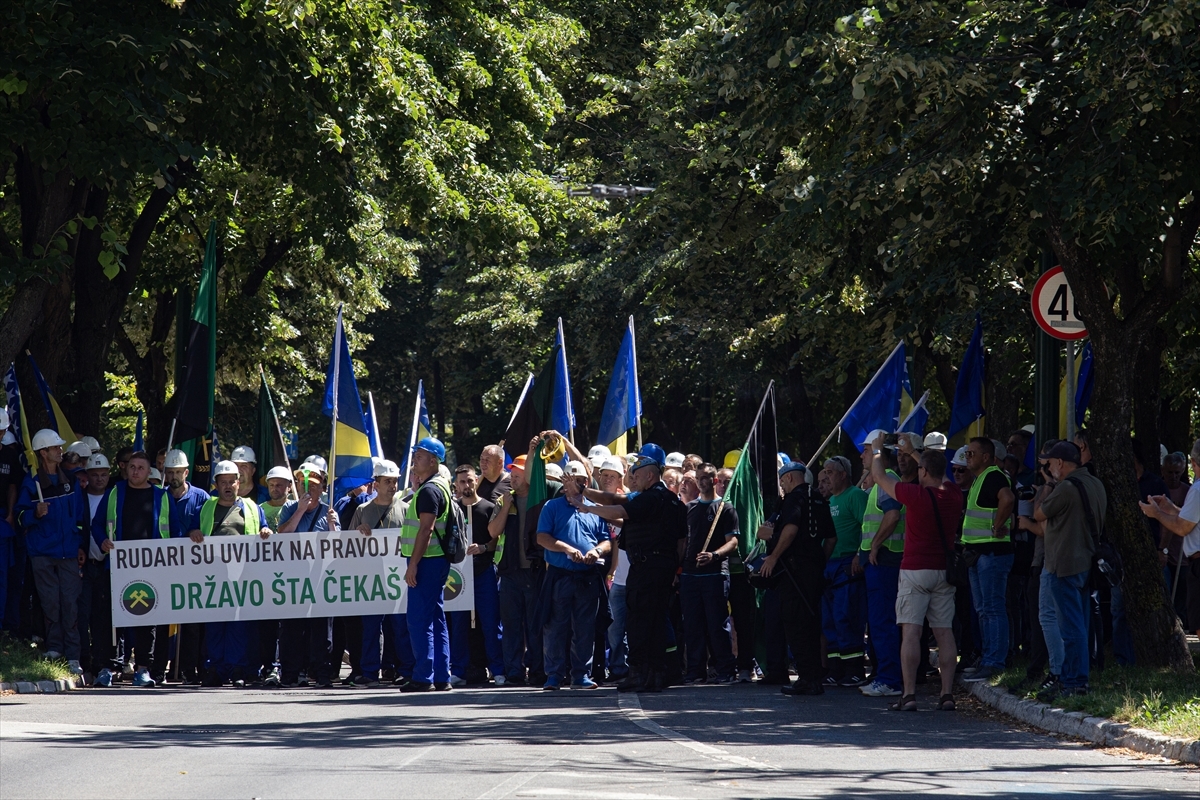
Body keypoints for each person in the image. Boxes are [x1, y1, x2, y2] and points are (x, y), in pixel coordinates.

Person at [573, 444, 686, 693]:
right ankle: (654, 673)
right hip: (661, 567)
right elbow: (681, 542)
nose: (633, 479)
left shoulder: (651, 498)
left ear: (650, 474)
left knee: (639, 621)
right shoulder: (671, 502)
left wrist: (588, 506)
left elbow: (619, 506)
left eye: (637, 474)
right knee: (655, 620)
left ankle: (639, 673)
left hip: (646, 566)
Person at [869, 433, 963, 711]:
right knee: (944, 633)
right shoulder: (953, 494)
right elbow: (936, 471)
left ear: (922, 471)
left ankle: (909, 694)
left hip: (914, 569)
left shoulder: (914, 495)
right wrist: (913, 452)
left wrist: (877, 451)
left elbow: (880, 477)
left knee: (911, 632)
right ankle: (946, 694)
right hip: (943, 572)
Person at [183, 460, 272, 687]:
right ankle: (215, 669)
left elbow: (264, 529)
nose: (228, 486)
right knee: (215, 623)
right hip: (212, 574)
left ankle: (237, 668)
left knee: (238, 624)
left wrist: (265, 530)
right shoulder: (206, 507)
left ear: (238, 482)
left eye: (232, 481)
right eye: (224, 482)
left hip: (243, 573)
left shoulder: (252, 507)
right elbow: (192, 530)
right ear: (216, 484)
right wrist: (193, 531)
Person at [92, 451, 173, 686]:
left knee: (147, 619)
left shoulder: (161, 497)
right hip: (117, 566)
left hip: (151, 567)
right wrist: (102, 542)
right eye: (132, 467)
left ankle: (143, 669)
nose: (135, 471)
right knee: (111, 617)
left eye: (140, 467)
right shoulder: (115, 493)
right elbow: (97, 526)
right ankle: (108, 668)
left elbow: (174, 531)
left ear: (149, 472)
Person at [758, 460, 835, 696]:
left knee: (795, 623)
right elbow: (831, 538)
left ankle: (807, 678)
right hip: (812, 571)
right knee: (811, 623)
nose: (782, 486)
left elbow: (790, 530)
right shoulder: (820, 499)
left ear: (789, 478)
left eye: (782, 481)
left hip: (793, 572)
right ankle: (813, 675)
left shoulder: (793, 499)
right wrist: (819, 560)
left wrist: (773, 556)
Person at [1034, 441, 1104, 698]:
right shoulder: (1095, 483)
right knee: (1080, 625)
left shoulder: (1064, 487)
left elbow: (1039, 513)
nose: (1047, 468)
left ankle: (1074, 682)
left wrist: (1049, 485)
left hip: (1063, 565)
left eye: (1049, 464)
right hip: (1085, 563)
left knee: (1070, 628)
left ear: (1060, 463)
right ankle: (1076, 679)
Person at [15, 429, 86, 676]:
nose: (60, 450)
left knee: (70, 603)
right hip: (42, 554)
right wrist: (35, 513)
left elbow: (79, 518)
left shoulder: (71, 481)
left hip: (67, 554)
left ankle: (74, 656)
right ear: (43, 453)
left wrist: (80, 546)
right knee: (49, 603)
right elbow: (20, 517)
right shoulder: (32, 483)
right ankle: (55, 649)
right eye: (55, 448)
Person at [537, 460, 610, 689]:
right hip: (561, 576)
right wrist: (566, 548)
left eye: (580, 481)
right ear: (563, 481)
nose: (576, 485)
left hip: (587, 576)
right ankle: (554, 675)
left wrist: (596, 551)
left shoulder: (593, 508)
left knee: (585, 627)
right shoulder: (552, 506)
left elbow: (606, 540)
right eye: (571, 480)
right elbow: (542, 537)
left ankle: (581, 675)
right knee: (556, 626)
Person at [277, 459, 340, 688]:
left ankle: (322, 674)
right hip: (294, 580)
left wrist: (333, 528)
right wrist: (300, 511)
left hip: (321, 580)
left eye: (313, 486)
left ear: (322, 487)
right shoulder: (289, 508)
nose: (308, 490)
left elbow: (339, 548)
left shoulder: (329, 512)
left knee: (322, 632)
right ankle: (290, 675)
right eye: (303, 485)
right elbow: (282, 535)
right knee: (292, 630)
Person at [352, 459, 415, 688]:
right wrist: (359, 531)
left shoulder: (406, 510)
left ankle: (406, 669)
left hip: (398, 578)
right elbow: (347, 546)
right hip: (371, 579)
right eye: (387, 481)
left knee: (400, 627)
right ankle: (369, 672)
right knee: (370, 628)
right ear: (375, 484)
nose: (392, 485)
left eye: (395, 481)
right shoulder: (362, 511)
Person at [399, 436, 455, 692]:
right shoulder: (438, 486)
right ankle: (441, 675)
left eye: (419, 456)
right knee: (435, 617)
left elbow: (425, 530)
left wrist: (413, 565)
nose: (414, 460)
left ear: (433, 461)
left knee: (418, 620)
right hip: (435, 560)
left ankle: (423, 676)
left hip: (427, 561)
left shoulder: (429, 490)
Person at [853, 432, 905, 699]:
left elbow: (893, 514)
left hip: (884, 561)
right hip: (880, 562)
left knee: (883, 621)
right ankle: (885, 675)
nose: (862, 456)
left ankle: (889, 679)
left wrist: (875, 545)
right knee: (879, 622)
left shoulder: (887, 481)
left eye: (866, 451)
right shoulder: (881, 484)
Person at [678, 462, 739, 685]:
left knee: (717, 625)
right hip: (690, 576)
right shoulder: (689, 508)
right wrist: (678, 568)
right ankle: (695, 670)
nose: (704, 481)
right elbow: (683, 542)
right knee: (692, 625)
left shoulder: (725, 508)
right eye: (700, 477)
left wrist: (714, 555)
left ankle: (725, 668)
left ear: (715, 480)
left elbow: (732, 542)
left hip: (715, 575)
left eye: (708, 477)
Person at [960, 437, 1015, 682]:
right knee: (983, 609)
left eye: (971, 453)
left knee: (992, 609)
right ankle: (988, 657)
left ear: (985, 456)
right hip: (979, 554)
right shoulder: (980, 479)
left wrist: (998, 525)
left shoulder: (993, 475)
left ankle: (994, 662)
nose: (967, 457)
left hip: (992, 554)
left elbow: (1008, 499)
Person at [162, 448, 216, 685]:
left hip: (195, 570)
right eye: (170, 472)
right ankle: (162, 666)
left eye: (178, 472)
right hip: (165, 568)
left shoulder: (202, 497)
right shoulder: (159, 496)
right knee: (165, 620)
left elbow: (208, 527)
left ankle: (190, 668)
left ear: (186, 472)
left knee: (193, 624)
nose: (174, 477)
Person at [1139, 439, 1200, 637]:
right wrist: (1170, 508)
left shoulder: (1197, 490)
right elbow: (1191, 519)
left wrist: (1156, 513)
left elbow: (1182, 528)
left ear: (1191, 463)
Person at [449, 464, 501, 686]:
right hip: (459, 576)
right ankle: (458, 670)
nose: (467, 485)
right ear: (456, 484)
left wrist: (483, 547)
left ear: (476, 480)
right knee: (458, 624)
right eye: (462, 482)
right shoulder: (452, 510)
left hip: (483, 573)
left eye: (470, 480)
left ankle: (498, 669)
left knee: (491, 623)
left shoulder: (489, 508)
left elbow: (495, 540)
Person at [820, 455, 869, 687]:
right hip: (829, 566)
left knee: (847, 617)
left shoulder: (855, 496)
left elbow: (866, 527)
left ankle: (855, 670)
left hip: (847, 564)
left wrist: (860, 554)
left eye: (830, 472)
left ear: (843, 474)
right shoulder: (829, 501)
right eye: (824, 472)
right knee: (830, 620)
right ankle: (836, 668)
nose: (826, 477)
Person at [78, 453, 114, 683]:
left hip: (109, 566)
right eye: (94, 475)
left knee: (104, 617)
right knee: (83, 615)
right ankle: (84, 661)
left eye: (103, 475)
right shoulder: (79, 498)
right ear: (87, 476)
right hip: (85, 566)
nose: (99, 479)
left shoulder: (114, 498)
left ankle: (103, 662)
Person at [596, 456, 630, 682]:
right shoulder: (597, 500)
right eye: (604, 475)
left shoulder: (627, 500)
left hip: (626, 574)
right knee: (612, 627)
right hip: (607, 573)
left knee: (627, 626)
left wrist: (614, 569)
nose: (608, 479)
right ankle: (616, 668)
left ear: (621, 477)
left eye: (612, 476)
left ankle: (627, 667)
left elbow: (619, 539)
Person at [0, 408, 21, 635]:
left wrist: (11, 514)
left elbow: (14, 485)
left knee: (2, 575)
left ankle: (1, 623)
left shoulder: (9, 456)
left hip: (2, 519)